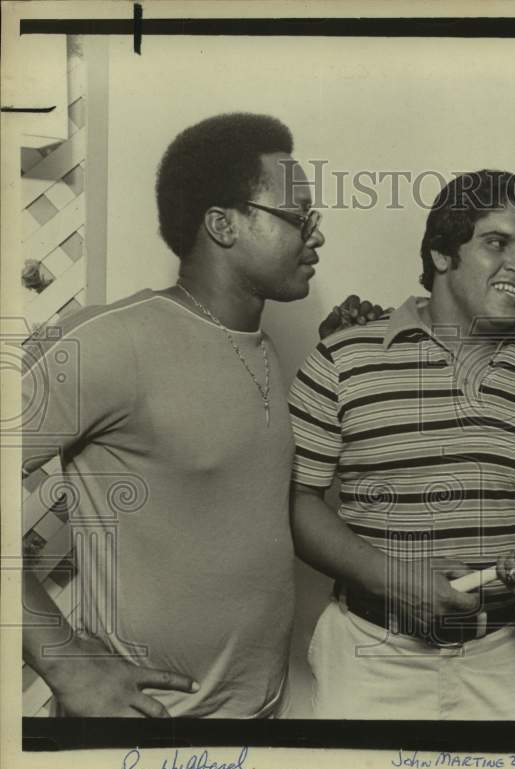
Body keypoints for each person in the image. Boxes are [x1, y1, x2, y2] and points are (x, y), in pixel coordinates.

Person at [21, 112, 326, 717]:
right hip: (143, 738)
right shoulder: (111, 342)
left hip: (257, 732)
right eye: (300, 219)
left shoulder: (264, 350)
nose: (316, 238)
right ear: (222, 225)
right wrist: (64, 663)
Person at [289, 170, 515, 720]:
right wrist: (396, 581)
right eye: (497, 243)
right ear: (443, 254)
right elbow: (297, 504)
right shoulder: (344, 359)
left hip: (506, 657)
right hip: (371, 657)